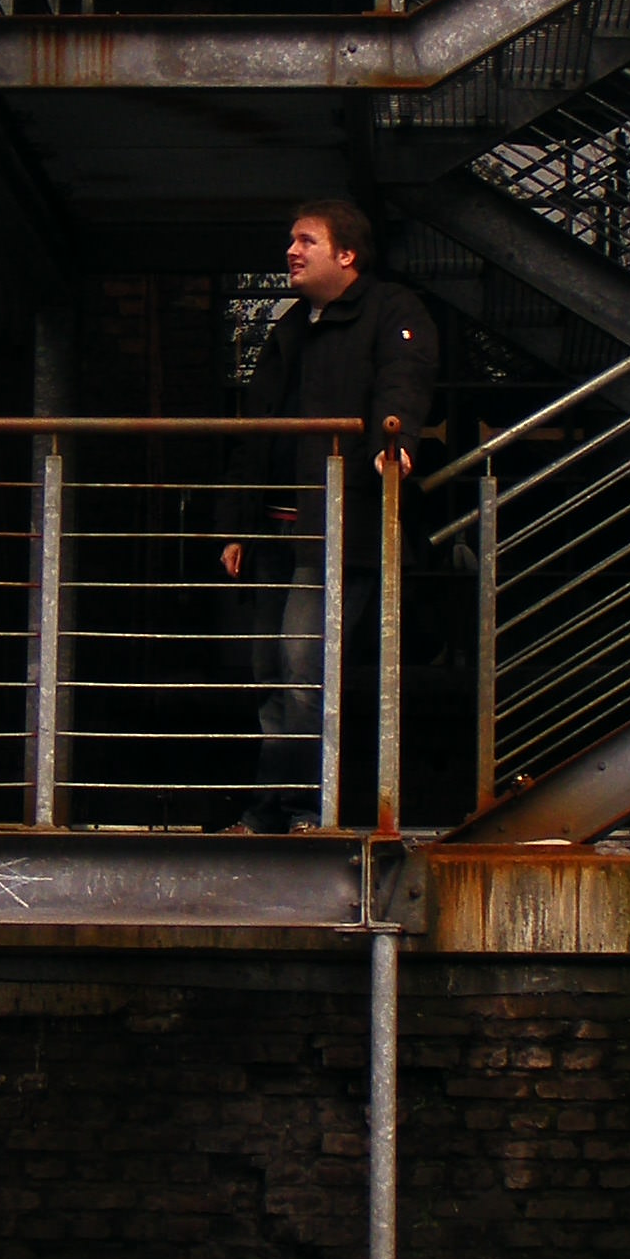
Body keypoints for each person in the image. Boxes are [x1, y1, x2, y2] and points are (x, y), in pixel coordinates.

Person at [219, 199, 438, 830]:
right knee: (269, 674)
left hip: (338, 529)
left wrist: (395, 441)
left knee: (303, 670)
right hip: (274, 532)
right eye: (291, 240)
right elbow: (257, 430)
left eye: (306, 241)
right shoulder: (291, 325)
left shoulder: (391, 311)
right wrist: (235, 526)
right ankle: (273, 810)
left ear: (346, 254)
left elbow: (403, 381)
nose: (291, 251)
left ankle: (300, 810)